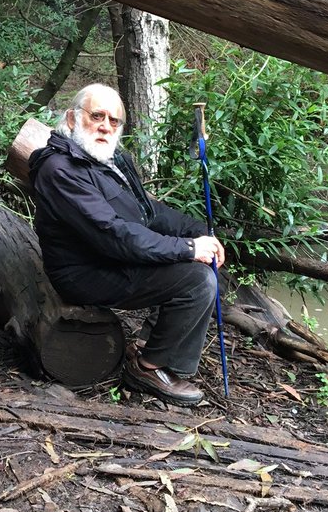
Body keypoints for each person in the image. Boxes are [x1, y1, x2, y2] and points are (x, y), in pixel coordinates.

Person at [29, 83, 225, 406]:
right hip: (86, 272)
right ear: (72, 119)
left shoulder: (110, 159)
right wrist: (189, 249)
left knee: (205, 263)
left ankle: (152, 344)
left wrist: (201, 233)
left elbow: (148, 212)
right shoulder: (60, 170)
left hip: (112, 257)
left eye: (114, 120)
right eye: (97, 116)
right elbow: (112, 233)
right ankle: (148, 368)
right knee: (197, 279)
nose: (105, 126)